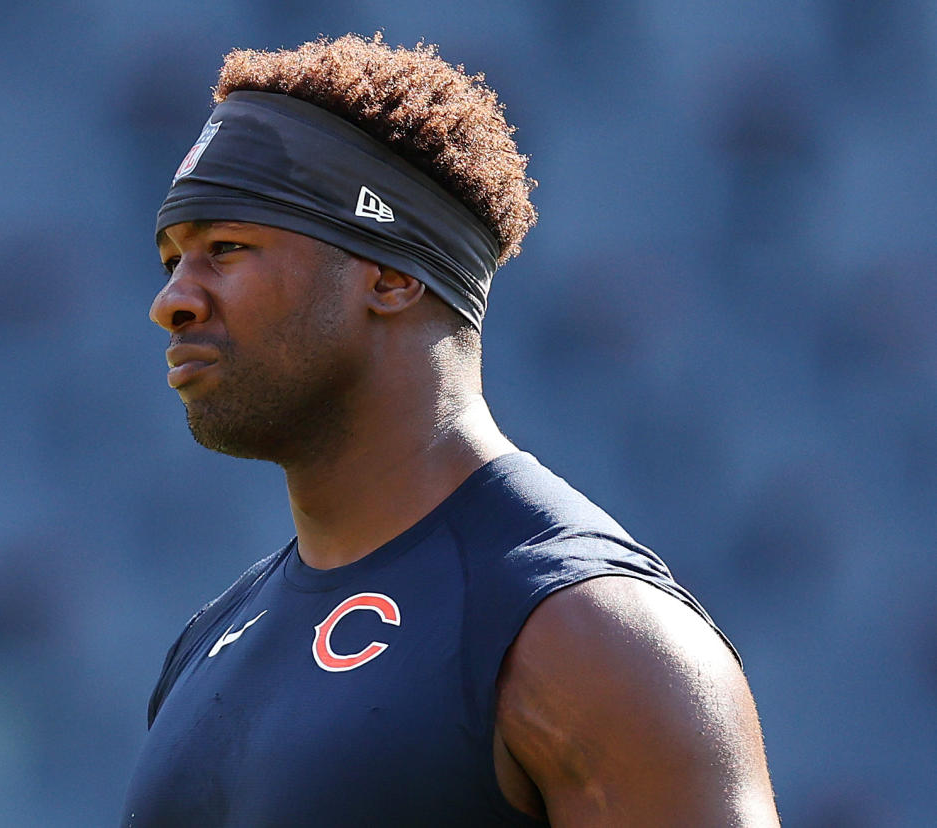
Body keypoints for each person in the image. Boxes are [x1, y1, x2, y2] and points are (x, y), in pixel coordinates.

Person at [123, 33, 779, 827]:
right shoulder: (208, 642)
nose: (173, 301)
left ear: (394, 275)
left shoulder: (590, 635)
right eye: (171, 261)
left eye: (227, 248)